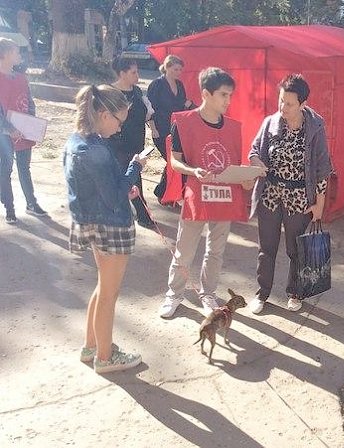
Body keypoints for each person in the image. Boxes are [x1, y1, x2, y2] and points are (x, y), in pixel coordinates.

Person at [158, 67, 257, 319]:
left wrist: (248, 178)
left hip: (224, 197)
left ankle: (208, 293)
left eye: (230, 95)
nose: (228, 101)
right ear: (206, 94)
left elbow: (234, 165)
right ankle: (174, 294)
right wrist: (193, 171)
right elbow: (175, 161)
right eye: (224, 95)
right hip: (197, 196)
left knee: (216, 250)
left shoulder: (233, 128)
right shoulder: (184, 122)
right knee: (185, 249)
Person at [64, 84, 148, 374]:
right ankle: (105, 356)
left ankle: (91, 346)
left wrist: (125, 185)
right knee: (109, 295)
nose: (120, 128)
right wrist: (134, 168)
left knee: (103, 288)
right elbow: (113, 197)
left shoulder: (77, 141)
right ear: (102, 113)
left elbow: (101, 189)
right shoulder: (95, 150)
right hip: (111, 226)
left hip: (93, 222)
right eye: (118, 121)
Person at [247, 74, 333, 314]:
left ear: (303, 104)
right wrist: (256, 162)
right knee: (267, 248)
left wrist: (319, 205)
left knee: (296, 249)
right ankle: (262, 293)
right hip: (270, 194)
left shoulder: (315, 127)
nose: (283, 107)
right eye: (281, 101)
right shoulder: (270, 123)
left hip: (299, 197)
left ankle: (295, 292)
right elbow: (254, 150)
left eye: (289, 103)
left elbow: (322, 169)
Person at [0, 37, 47, 224]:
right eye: (16, 51)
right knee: (5, 171)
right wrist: (9, 128)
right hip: (4, 134)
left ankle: (31, 203)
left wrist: (31, 122)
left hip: (24, 131)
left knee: (24, 168)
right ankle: (9, 208)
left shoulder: (21, 77)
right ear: (5, 54)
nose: (19, 55)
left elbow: (29, 102)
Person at [108, 57, 156, 229]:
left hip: (136, 143)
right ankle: (139, 214)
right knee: (127, 179)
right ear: (122, 74)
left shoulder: (136, 91)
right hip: (117, 145)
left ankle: (140, 214)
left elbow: (145, 113)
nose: (137, 75)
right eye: (133, 72)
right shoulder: (110, 93)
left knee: (134, 177)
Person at [147, 54, 195, 203]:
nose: (178, 72)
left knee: (175, 161)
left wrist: (192, 107)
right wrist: (153, 128)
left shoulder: (180, 85)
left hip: (175, 129)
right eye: (175, 69)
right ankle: (162, 192)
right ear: (167, 68)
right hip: (160, 129)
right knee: (171, 161)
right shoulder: (156, 85)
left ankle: (166, 193)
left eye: (180, 69)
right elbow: (150, 109)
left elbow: (183, 105)